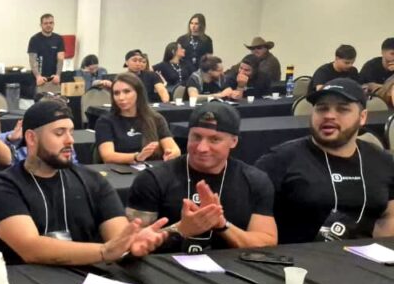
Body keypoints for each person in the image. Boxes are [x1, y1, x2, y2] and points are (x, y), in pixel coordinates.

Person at [0, 100, 168, 265]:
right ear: (32, 138)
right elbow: (31, 249)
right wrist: (103, 251)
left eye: (71, 132)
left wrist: (131, 244)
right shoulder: (5, 187)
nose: (70, 140)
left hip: (88, 280)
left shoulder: (93, 181)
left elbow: (118, 239)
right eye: (59, 133)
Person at [126, 101, 277, 253]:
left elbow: (266, 242)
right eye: (196, 137)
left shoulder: (255, 181)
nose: (201, 148)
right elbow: (130, 244)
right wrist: (180, 229)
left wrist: (222, 225)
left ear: (234, 141)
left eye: (214, 139)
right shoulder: (153, 179)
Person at [256, 79, 394, 243]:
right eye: (322, 108)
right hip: (297, 258)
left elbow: (389, 217)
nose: (329, 115)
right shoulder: (278, 160)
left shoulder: (383, 162)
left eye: (342, 109)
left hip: (364, 257)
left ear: (362, 117)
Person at [95, 73, 181, 165]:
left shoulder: (156, 118)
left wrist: (171, 153)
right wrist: (137, 157)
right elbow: (108, 156)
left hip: (152, 170)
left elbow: (174, 149)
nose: (121, 98)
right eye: (116, 93)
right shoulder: (105, 121)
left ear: (138, 93)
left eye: (127, 92)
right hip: (120, 170)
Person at [28, 13, 66, 91]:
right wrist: (38, 76)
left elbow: (60, 59)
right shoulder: (34, 39)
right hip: (40, 79)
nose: (48, 25)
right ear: (41, 25)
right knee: (40, 98)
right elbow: (32, 60)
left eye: (51, 23)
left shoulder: (59, 39)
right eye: (45, 23)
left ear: (54, 24)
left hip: (54, 79)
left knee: (56, 98)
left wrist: (58, 75)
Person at [177, 13, 214, 79]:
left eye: (196, 24)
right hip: (185, 71)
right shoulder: (182, 39)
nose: (193, 26)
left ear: (201, 25)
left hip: (201, 71)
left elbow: (209, 58)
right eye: (191, 23)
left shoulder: (207, 40)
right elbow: (177, 57)